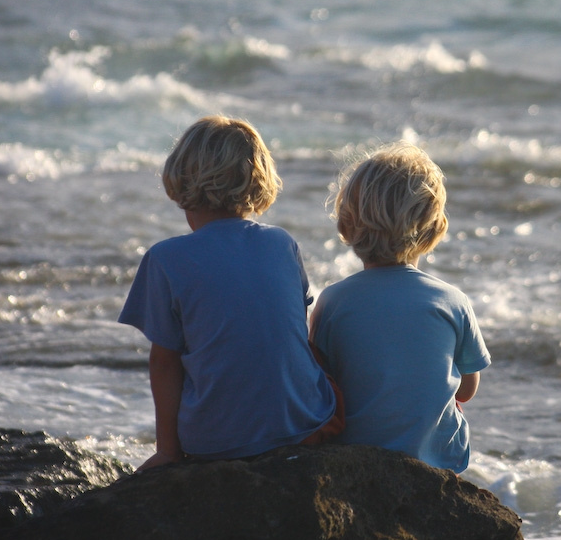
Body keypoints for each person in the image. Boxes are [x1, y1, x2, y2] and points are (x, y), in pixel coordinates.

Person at [119, 116, 342, 472]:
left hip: (214, 443)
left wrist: (168, 452)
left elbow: (164, 362)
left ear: (181, 178)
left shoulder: (165, 258)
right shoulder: (281, 242)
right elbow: (290, 334)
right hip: (305, 428)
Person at [308, 142, 490, 473]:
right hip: (435, 462)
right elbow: (467, 389)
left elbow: (322, 383)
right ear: (434, 228)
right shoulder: (452, 301)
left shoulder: (332, 301)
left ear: (347, 224)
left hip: (353, 456)